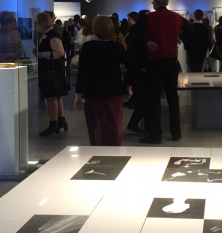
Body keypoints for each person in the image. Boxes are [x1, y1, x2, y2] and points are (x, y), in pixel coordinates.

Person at [140, 0, 193, 144]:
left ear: (155, 3)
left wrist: (147, 42)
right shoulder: (176, 17)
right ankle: (176, 132)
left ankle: (155, 134)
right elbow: (190, 27)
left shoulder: (149, 18)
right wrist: (180, 38)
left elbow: (137, 32)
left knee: (154, 98)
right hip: (171, 60)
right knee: (172, 97)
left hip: (154, 61)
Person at [74, 16, 135, 145]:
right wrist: (128, 85)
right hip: (113, 91)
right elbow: (132, 65)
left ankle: (98, 153)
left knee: (96, 127)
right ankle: (114, 153)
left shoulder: (87, 47)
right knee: (114, 126)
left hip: (93, 91)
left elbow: (82, 71)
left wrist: (78, 94)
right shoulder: (116, 47)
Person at [36, 12, 69, 135]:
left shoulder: (51, 35)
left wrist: (42, 54)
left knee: (51, 97)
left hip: (51, 71)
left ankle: (53, 122)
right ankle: (61, 120)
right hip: (51, 70)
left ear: (42, 23)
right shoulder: (48, 35)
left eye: (37, 23)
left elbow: (59, 52)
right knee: (56, 96)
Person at [125, 10, 148, 132]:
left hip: (137, 66)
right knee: (144, 96)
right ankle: (135, 123)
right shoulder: (140, 30)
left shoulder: (134, 30)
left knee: (142, 95)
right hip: (141, 67)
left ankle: (135, 122)